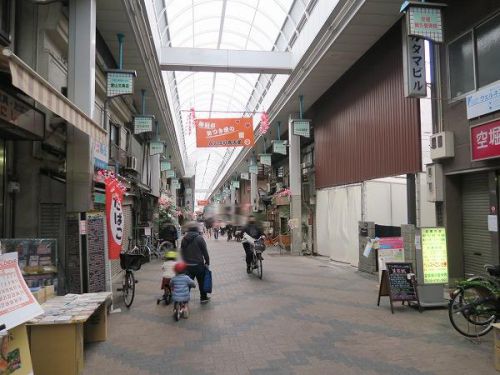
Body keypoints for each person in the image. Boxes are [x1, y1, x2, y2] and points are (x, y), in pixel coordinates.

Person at [181, 222, 211, 304]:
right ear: (197, 230)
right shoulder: (199, 238)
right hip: (199, 265)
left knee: (187, 283)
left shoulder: (184, 239)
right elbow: (205, 252)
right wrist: (207, 262)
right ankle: (203, 298)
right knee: (201, 282)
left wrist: (184, 262)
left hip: (187, 266)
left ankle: (184, 299)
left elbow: (182, 252)